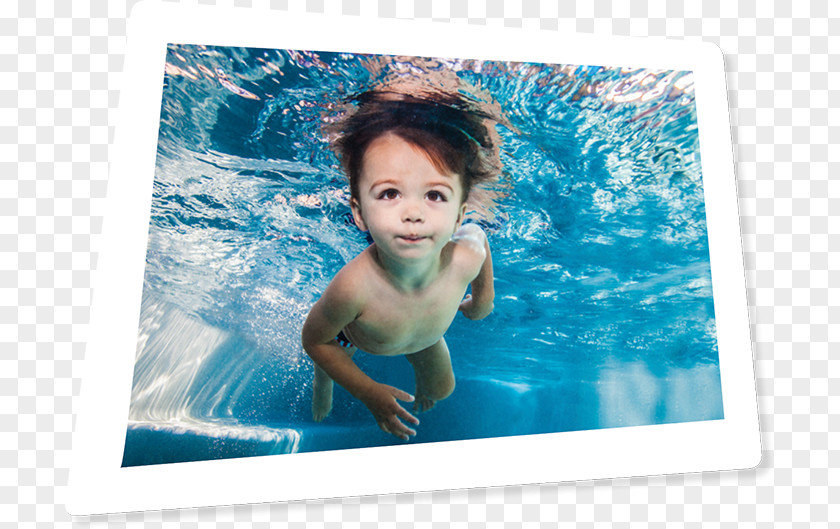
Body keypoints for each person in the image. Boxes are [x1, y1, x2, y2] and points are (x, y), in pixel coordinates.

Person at [301, 90, 500, 441]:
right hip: (355, 338)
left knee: (442, 389)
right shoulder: (354, 287)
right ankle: (324, 381)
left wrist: (483, 301)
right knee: (332, 354)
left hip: (425, 336)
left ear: (458, 215)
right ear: (360, 213)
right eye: (390, 193)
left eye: (435, 195)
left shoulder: (463, 259)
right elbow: (315, 339)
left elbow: (479, 237)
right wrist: (368, 391)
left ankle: (419, 370)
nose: (413, 213)